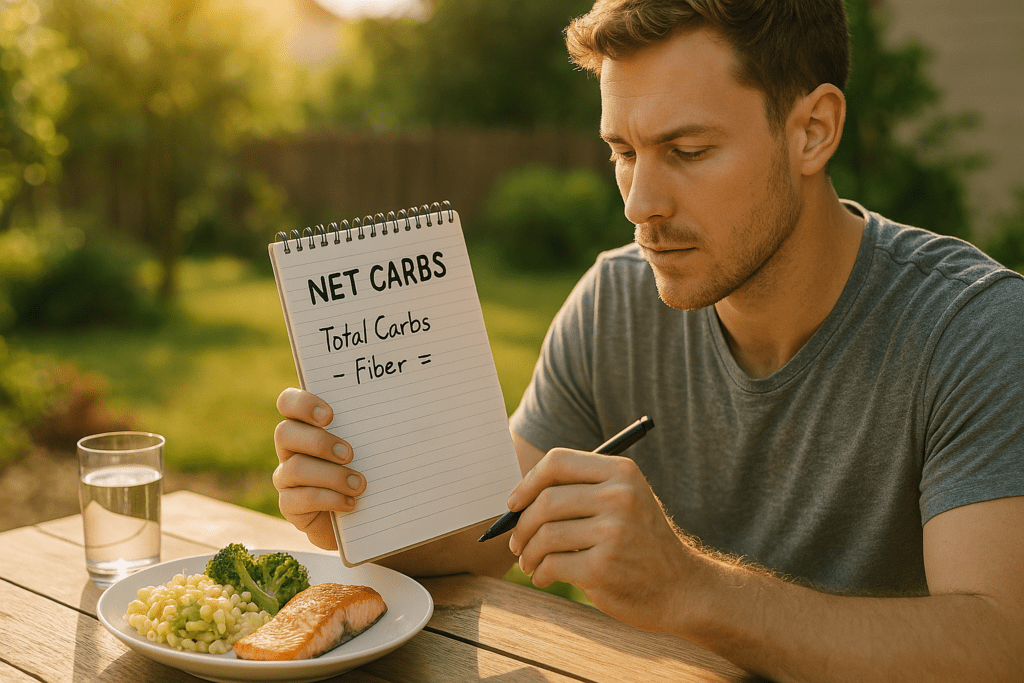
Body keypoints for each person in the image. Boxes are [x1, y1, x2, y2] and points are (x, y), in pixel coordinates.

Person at [272, 0, 1024, 679]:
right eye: (624, 152)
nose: (639, 204)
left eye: (688, 151)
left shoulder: (973, 332)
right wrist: (360, 511)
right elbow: (497, 531)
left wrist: (693, 588)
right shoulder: (615, 301)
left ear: (813, 130)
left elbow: (1001, 645)